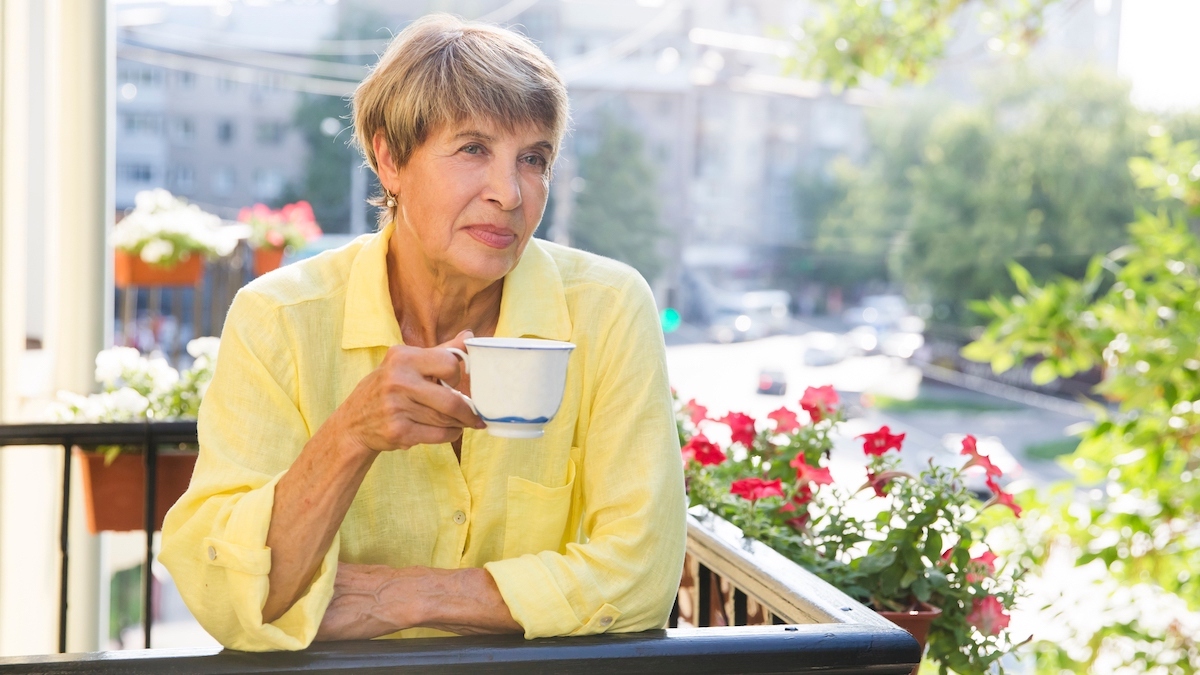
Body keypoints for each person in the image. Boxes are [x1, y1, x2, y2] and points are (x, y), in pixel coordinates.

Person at [159, 14, 686, 651]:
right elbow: (226, 593)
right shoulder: (279, 318)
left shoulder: (609, 308)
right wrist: (350, 435)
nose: (509, 194)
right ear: (389, 159)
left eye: (533, 159)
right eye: (473, 149)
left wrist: (401, 596)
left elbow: (642, 574)